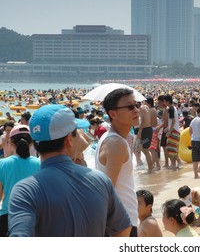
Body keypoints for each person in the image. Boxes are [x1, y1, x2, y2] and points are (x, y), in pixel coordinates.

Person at [7, 105, 131, 236]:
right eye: (76, 132)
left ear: (35, 144)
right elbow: (123, 229)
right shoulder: (100, 180)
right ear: (69, 139)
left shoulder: (25, 190)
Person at [95, 88, 140, 237]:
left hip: (123, 220)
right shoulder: (115, 143)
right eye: (129, 106)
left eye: (136, 104)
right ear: (113, 114)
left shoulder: (113, 139)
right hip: (121, 224)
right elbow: (108, 190)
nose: (136, 110)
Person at [0, 125, 40, 236]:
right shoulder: (41, 163)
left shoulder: (2, 164)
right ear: (31, 143)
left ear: (11, 144)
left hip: (7, 216)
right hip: (36, 216)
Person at [164, 94, 182, 169]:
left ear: (167, 101)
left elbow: (173, 121)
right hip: (174, 129)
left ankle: (176, 163)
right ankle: (176, 163)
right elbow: (172, 121)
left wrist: (169, 131)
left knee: (171, 148)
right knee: (171, 148)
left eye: (165, 101)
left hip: (174, 130)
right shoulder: (173, 108)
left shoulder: (171, 109)